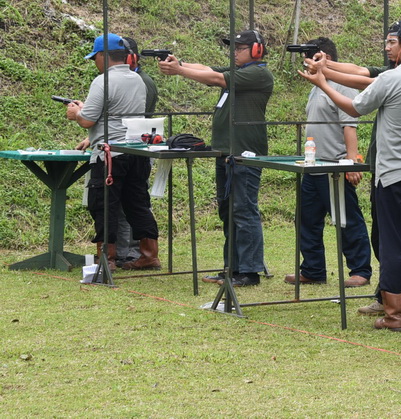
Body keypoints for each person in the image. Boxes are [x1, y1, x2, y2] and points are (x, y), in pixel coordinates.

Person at [300, 18, 401, 331]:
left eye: (394, 42)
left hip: (395, 176)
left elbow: (355, 107)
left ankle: (395, 314)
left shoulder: (393, 78)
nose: (390, 47)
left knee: (394, 244)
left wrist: (322, 84)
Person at [157, 29, 273, 288]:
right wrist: (181, 63)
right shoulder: (240, 72)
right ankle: (232, 267)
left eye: (240, 48)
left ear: (256, 50)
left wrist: (179, 71)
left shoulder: (258, 73)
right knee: (228, 211)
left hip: (245, 153)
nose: (234, 52)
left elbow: (215, 76)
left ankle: (250, 271)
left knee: (244, 210)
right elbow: (207, 69)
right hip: (227, 152)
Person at [64, 33, 158, 271]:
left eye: (95, 57)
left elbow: (87, 121)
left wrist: (76, 113)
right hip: (136, 151)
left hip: (109, 155)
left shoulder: (102, 81)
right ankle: (149, 255)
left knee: (104, 206)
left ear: (104, 56)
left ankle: (109, 259)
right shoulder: (137, 79)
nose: (95, 61)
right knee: (137, 203)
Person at [287, 37, 372, 289]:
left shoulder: (344, 87)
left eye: (311, 59)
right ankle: (313, 268)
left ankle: (360, 270)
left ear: (326, 59)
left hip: (334, 166)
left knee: (347, 219)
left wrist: (351, 160)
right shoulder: (317, 85)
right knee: (306, 219)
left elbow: (350, 124)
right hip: (313, 164)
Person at [115, 36, 160, 268]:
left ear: (132, 58)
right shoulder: (130, 79)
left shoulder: (143, 82)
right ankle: (124, 250)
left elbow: (133, 118)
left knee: (134, 202)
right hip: (126, 146)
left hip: (136, 147)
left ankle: (134, 251)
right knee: (123, 203)